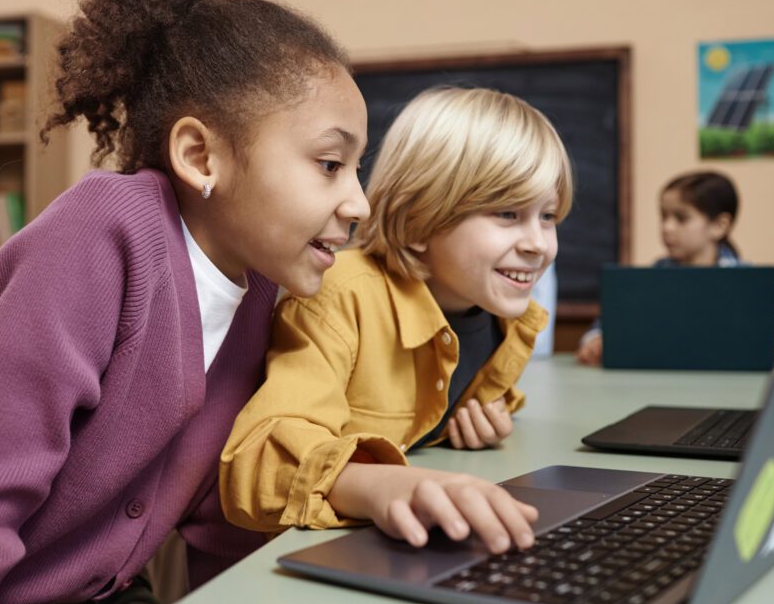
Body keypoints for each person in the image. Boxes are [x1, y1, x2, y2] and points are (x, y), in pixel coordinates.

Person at [0, 0, 369, 604]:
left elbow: (217, 517)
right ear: (200, 156)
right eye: (331, 164)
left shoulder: (260, 289)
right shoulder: (101, 238)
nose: (358, 202)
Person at [221, 87, 573, 554]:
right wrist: (383, 487)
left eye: (547, 216)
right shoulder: (339, 297)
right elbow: (261, 460)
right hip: (284, 553)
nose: (538, 244)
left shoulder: (500, 314)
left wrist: (481, 420)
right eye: (507, 214)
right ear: (422, 219)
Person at [576, 170, 774, 366]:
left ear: (719, 226)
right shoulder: (650, 280)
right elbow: (608, 324)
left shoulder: (748, 283)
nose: (667, 227)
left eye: (681, 218)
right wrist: (595, 340)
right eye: (663, 216)